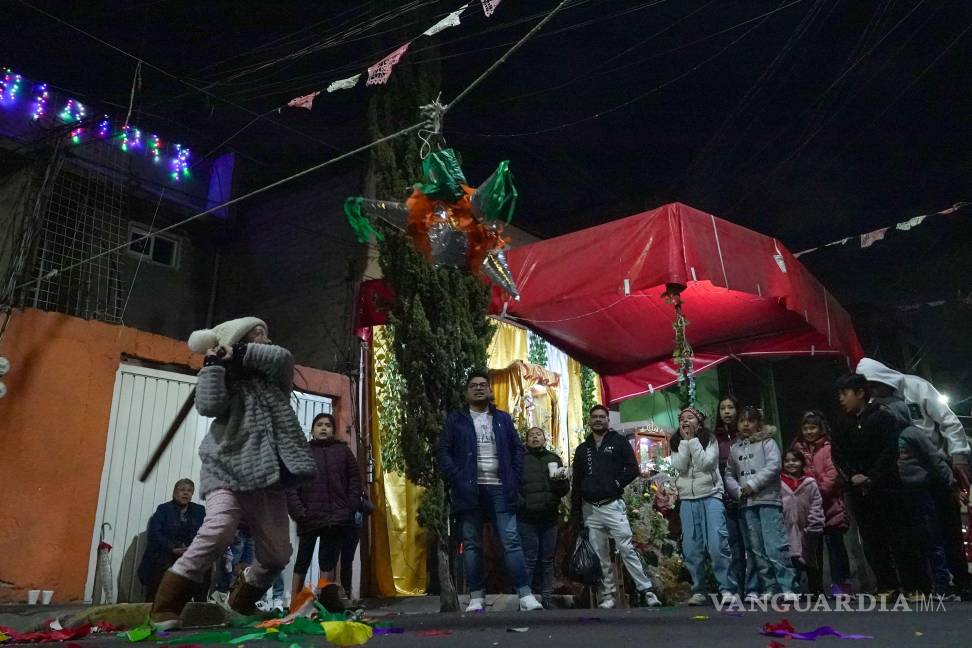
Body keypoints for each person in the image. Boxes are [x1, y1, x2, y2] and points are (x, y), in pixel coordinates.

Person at [150, 317, 317, 629]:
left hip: (265, 475)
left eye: (266, 334)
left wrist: (237, 352)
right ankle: (166, 606)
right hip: (225, 468)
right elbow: (208, 405)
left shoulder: (274, 382)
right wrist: (213, 366)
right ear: (237, 339)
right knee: (219, 529)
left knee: (278, 555)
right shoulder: (224, 379)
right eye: (257, 334)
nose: (266, 340)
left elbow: (283, 358)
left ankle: (240, 602)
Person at [857, 358, 972, 598]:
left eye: (875, 386)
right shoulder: (874, 405)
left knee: (949, 527)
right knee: (921, 534)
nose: (874, 391)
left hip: (935, 467)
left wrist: (958, 455)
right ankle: (934, 583)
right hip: (905, 477)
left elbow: (948, 422)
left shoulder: (916, 387)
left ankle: (962, 580)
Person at [438, 370, 543, 612]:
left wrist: (513, 478)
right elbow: (443, 452)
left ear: (489, 390)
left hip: (500, 489)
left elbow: (518, 449)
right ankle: (476, 597)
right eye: (473, 385)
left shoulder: (503, 419)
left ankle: (525, 596)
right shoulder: (456, 420)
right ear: (467, 392)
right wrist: (457, 477)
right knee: (472, 544)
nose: (478, 388)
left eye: (483, 385)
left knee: (511, 541)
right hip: (469, 490)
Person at [831, 373, 929, 597]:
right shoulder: (841, 423)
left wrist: (871, 477)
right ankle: (887, 585)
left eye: (844, 394)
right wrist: (852, 478)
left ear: (860, 393)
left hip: (887, 488)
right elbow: (837, 455)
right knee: (872, 540)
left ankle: (915, 585)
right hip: (859, 492)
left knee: (900, 537)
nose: (841, 399)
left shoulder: (883, 417)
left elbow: (889, 452)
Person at [571, 404, 662, 609]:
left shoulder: (618, 442)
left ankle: (647, 591)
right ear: (589, 420)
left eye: (602, 417)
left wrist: (616, 484)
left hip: (612, 505)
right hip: (590, 509)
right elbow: (577, 481)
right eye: (594, 417)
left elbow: (632, 469)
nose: (598, 420)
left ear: (607, 420)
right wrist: (576, 511)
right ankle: (608, 596)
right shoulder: (582, 449)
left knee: (626, 549)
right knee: (600, 553)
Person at [286, 412, 364, 608]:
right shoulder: (302, 452)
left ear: (333, 430)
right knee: (302, 560)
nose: (323, 428)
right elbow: (292, 485)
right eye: (319, 425)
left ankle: (325, 601)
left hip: (335, 518)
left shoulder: (343, 452)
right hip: (309, 517)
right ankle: (294, 603)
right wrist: (298, 511)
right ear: (312, 430)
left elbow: (355, 480)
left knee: (327, 561)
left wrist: (350, 506)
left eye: (327, 425)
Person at [724, 406, 798, 603]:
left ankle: (787, 585)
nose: (746, 424)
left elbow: (774, 465)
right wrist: (738, 491)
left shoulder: (768, 443)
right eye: (742, 421)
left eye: (750, 420)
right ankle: (769, 587)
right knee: (755, 548)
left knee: (775, 544)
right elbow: (729, 474)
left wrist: (753, 484)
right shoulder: (734, 449)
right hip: (747, 504)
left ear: (758, 423)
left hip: (768, 500)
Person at [669, 407, 736, 606]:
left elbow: (706, 463)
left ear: (699, 422)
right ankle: (699, 590)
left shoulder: (710, 440)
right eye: (682, 418)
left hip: (711, 496)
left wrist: (692, 441)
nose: (685, 421)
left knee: (717, 545)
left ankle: (727, 589)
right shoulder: (675, 442)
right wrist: (684, 442)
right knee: (691, 548)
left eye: (690, 418)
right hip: (688, 499)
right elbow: (680, 466)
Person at [896, 407, 955, 597]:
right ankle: (921, 585)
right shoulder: (886, 434)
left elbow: (934, 457)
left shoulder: (913, 433)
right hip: (898, 492)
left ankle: (943, 583)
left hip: (920, 490)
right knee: (910, 542)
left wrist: (950, 482)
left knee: (931, 537)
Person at [790, 410, 850, 596]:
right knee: (812, 550)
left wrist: (816, 489)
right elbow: (795, 473)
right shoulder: (798, 449)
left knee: (836, 548)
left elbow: (832, 474)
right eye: (805, 428)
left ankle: (841, 586)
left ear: (821, 428)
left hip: (831, 506)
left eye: (813, 427)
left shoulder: (828, 448)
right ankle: (815, 587)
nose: (809, 431)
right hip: (809, 509)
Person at [517, 427, 570, 608]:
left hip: (549, 516)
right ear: (526, 440)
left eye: (538, 435)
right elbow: (513, 486)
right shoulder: (520, 460)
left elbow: (563, 489)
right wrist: (521, 504)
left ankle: (547, 597)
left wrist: (561, 482)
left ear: (544, 439)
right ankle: (526, 597)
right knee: (529, 558)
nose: (535, 438)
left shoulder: (554, 459)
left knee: (548, 559)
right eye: (531, 435)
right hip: (527, 518)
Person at [137, 479, 205, 602]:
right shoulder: (163, 509)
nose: (186, 493)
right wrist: (173, 548)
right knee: (161, 567)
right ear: (174, 493)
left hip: (189, 554)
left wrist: (192, 550)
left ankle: (199, 610)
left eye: (189, 491)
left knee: (204, 568)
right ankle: (153, 607)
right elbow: (155, 534)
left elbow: (205, 533)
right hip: (166, 553)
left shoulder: (199, 511)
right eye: (182, 490)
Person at [714, 395, 754, 596]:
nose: (727, 412)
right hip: (724, 498)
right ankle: (738, 588)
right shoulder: (715, 438)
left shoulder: (747, 437)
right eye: (723, 408)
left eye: (731, 407)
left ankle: (756, 587)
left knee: (753, 544)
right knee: (733, 546)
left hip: (748, 495)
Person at [781, 450, 825, 594]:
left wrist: (814, 524)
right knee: (792, 560)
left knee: (812, 559)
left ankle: (815, 589)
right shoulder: (779, 483)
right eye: (787, 461)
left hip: (808, 528)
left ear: (802, 463)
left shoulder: (810, 483)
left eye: (795, 460)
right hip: (787, 528)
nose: (791, 463)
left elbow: (816, 503)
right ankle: (793, 589)